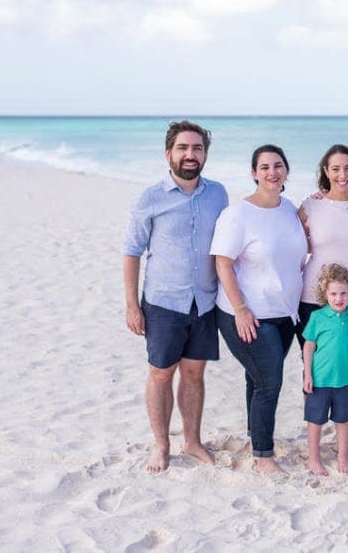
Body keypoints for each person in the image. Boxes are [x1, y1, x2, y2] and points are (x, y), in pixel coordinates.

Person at [123, 120, 228, 473]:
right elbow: (131, 251)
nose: (190, 154)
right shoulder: (150, 198)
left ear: (205, 154)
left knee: (195, 375)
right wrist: (131, 305)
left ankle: (193, 441)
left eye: (197, 148)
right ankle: (161, 445)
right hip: (164, 302)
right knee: (161, 374)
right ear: (169, 153)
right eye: (183, 148)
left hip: (205, 301)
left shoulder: (218, 194)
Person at [210, 144, 308, 475]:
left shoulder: (290, 208)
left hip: (284, 314)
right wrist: (240, 309)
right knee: (269, 380)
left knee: (259, 376)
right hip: (247, 313)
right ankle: (263, 456)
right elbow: (222, 263)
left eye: (278, 166)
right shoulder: (237, 214)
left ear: (286, 171)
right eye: (264, 167)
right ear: (254, 173)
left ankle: (255, 435)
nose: (272, 172)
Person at [297, 144, 348, 372]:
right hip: (312, 300)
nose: (342, 175)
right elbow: (293, 247)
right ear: (326, 171)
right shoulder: (311, 206)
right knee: (314, 371)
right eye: (335, 169)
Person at [302, 263, 348, 476]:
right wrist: (307, 374)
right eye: (334, 293)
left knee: (343, 420)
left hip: (345, 379)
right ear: (325, 294)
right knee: (315, 420)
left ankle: (342, 457)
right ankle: (314, 458)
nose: (339, 298)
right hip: (320, 380)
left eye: (344, 293)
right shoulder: (318, 317)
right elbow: (309, 347)